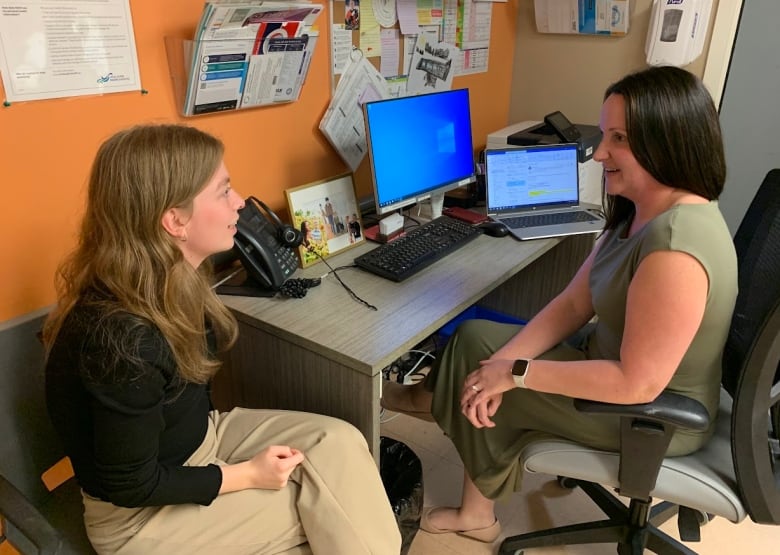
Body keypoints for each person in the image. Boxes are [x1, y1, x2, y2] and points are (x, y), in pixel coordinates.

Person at [380, 65, 738, 543]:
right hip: (610, 365)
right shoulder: (640, 209)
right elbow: (573, 303)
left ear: (666, 143)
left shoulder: (675, 248)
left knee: (480, 361)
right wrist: (506, 361)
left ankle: (471, 502)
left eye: (618, 140)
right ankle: (440, 411)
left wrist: (515, 373)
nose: (600, 154)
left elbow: (637, 382)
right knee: (477, 340)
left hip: (649, 415)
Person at [43, 124, 401, 555]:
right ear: (174, 220)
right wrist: (247, 476)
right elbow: (131, 484)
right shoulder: (122, 339)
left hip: (200, 441)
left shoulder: (175, 280)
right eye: (223, 191)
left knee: (340, 443)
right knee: (328, 507)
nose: (239, 204)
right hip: (138, 517)